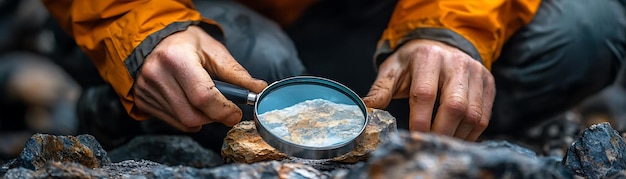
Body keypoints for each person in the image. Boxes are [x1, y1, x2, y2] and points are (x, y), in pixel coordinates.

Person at [40, 0, 625, 149]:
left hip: (384, 18)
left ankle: (377, 125)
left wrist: (448, 29)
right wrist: (141, 30)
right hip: (216, 17)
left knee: (589, 29)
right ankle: (121, 99)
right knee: (258, 69)